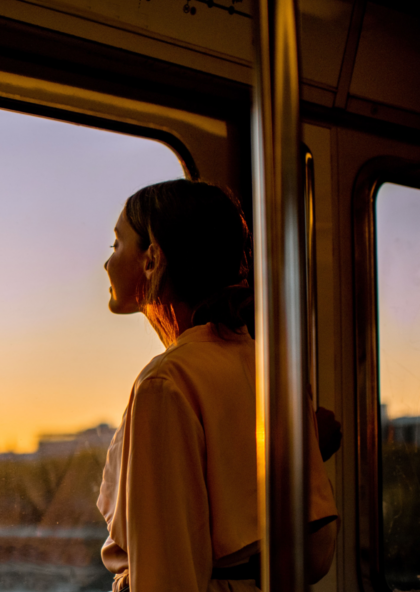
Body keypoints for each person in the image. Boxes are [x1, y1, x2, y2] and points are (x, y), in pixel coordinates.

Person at [96, 179, 338, 592]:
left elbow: (165, 578)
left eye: (116, 245)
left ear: (152, 258)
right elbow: (315, 554)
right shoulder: (272, 368)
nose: (107, 263)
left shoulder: (166, 383)